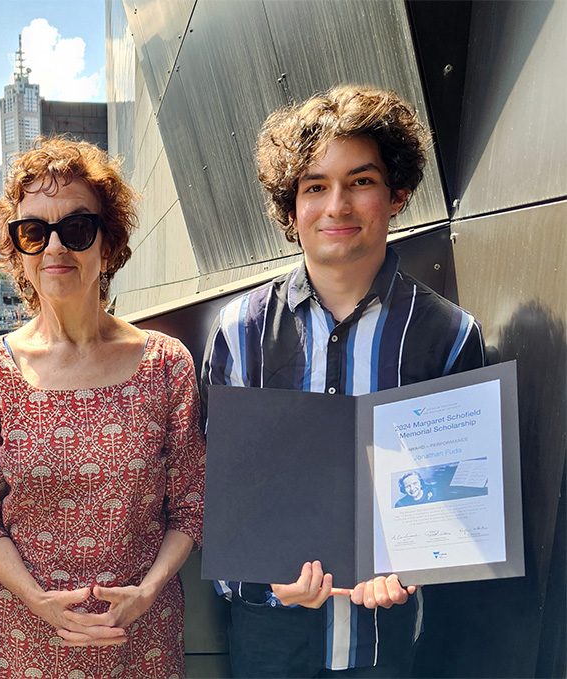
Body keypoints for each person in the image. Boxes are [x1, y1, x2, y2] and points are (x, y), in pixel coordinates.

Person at [202, 85, 485, 677]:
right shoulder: (238, 332)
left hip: (387, 644)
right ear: (291, 208)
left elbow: (459, 494)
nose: (337, 206)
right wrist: (266, 578)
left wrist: (414, 567)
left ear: (397, 193)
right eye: (314, 186)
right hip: (267, 642)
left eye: (360, 181)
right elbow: (214, 488)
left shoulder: (447, 336)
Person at [0, 138, 205, 677]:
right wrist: (36, 600)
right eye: (33, 231)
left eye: (76, 229)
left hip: (139, 642)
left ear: (108, 244)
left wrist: (147, 592)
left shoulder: (166, 364)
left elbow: (191, 507)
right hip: (18, 644)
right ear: (17, 250)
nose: (55, 248)